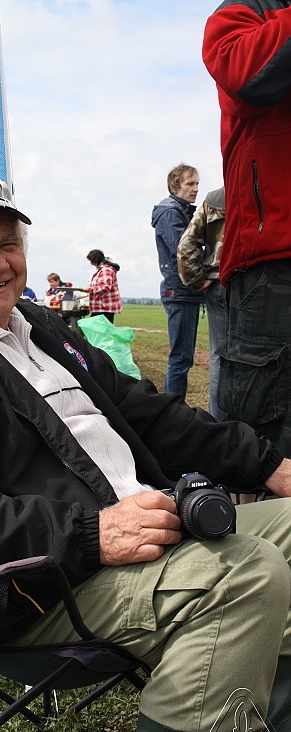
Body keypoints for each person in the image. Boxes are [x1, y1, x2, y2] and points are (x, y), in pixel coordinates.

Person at [0, 172, 291, 732]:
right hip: (33, 588)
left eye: (8, 243)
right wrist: (91, 533)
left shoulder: (43, 331)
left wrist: (270, 465)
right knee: (245, 573)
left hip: (146, 531)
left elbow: (150, 415)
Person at [203, 4, 291, 457]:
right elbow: (244, 74)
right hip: (271, 261)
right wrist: (198, 281)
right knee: (266, 433)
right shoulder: (247, 8)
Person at [151, 164, 203, 400]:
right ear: (175, 187)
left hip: (185, 291)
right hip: (180, 291)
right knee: (180, 358)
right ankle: (173, 411)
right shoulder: (171, 213)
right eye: (190, 184)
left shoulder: (181, 211)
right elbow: (183, 249)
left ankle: (175, 408)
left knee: (183, 357)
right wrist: (203, 278)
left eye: (197, 184)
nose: (195, 189)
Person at [177, 187, 227, 422]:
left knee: (219, 356)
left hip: (221, 284)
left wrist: (197, 279)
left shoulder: (215, 199)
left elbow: (186, 245)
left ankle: (220, 426)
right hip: (267, 283)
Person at [78, 249, 122, 323]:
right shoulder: (102, 270)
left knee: (99, 329)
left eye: (92, 261)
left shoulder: (105, 270)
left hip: (104, 308)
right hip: (101, 307)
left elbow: (105, 287)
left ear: (96, 260)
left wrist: (89, 289)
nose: (91, 263)